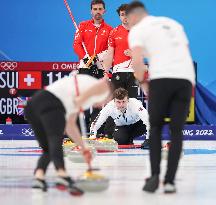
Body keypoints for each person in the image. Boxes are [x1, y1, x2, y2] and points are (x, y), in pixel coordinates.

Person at [127, 1, 195, 193]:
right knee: (176, 130)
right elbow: (186, 51)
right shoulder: (173, 23)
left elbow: (137, 61)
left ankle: (155, 176)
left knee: (155, 127)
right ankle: (170, 181)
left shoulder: (138, 30)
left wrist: (143, 83)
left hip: (161, 79)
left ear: (133, 17)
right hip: (185, 79)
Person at [24, 73, 112, 194]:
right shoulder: (105, 89)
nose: (103, 105)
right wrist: (80, 100)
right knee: (55, 138)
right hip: (51, 102)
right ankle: (62, 174)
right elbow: (103, 83)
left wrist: (84, 148)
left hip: (32, 106)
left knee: (48, 148)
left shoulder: (82, 99)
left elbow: (70, 126)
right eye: (107, 102)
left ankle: (39, 177)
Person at [73, 0, 113, 131]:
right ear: (91, 11)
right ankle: (80, 130)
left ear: (104, 11)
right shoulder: (83, 25)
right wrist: (85, 58)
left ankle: (96, 129)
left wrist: (97, 58)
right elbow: (77, 44)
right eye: (95, 9)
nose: (97, 12)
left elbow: (109, 50)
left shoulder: (109, 30)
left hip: (100, 67)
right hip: (85, 67)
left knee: (98, 99)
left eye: (100, 9)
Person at [104, 4, 138, 98]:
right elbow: (109, 54)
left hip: (133, 73)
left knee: (132, 103)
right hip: (118, 72)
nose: (125, 16)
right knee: (117, 104)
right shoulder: (114, 32)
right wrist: (105, 72)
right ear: (119, 16)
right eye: (122, 14)